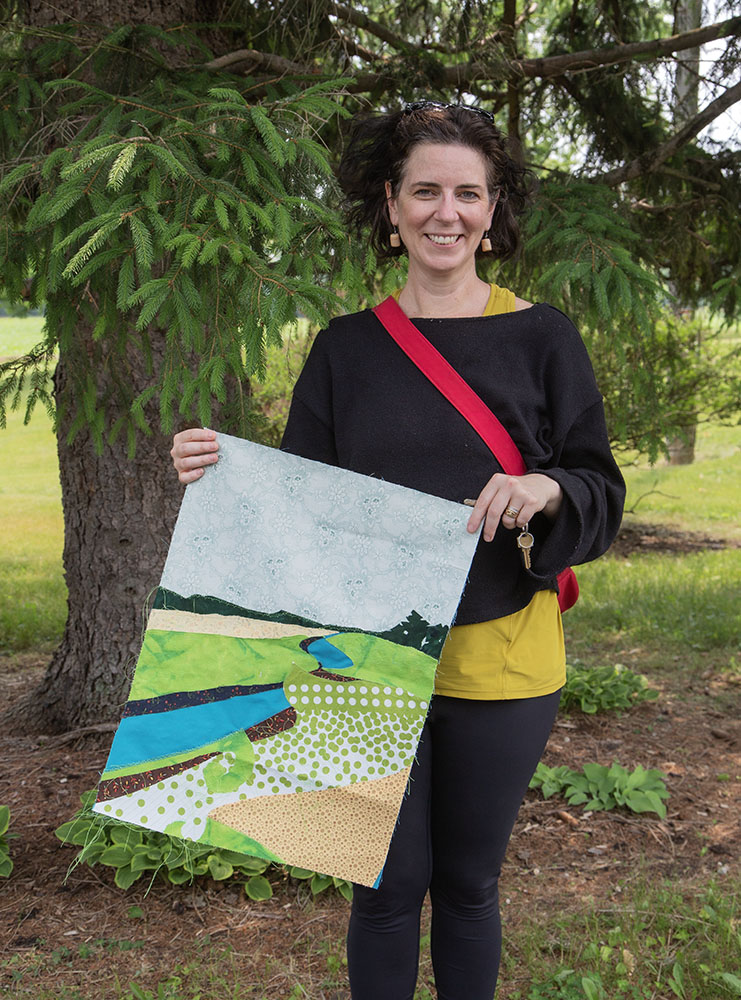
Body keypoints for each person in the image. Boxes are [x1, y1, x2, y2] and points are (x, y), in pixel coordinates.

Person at [171, 102, 625, 1000]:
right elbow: (300, 504)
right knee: (381, 889)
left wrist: (549, 488)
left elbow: (599, 491)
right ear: (390, 205)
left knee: (466, 886)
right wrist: (220, 470)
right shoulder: (345, 349)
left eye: (467, 193)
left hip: (502, 654)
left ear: (491, 212)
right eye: (424, 191)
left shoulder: (544, 337)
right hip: (360, 655)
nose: (444, 211)